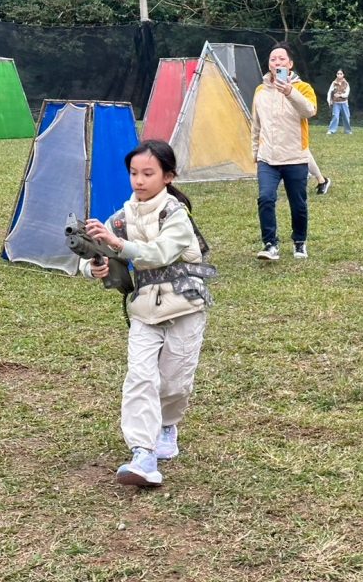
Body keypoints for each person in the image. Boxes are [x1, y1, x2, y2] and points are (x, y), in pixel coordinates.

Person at [80, 139, 214, 487]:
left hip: (185, 308)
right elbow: (94, 253)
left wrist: (118, 244)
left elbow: (159, 253)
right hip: (143, 311)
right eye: (133, 173)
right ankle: (143, 453)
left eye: (148, 173)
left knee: (174, 383)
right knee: (140, 377)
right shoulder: (121, 218)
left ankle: (167, 426)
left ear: (168, 176)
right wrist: (93, 265)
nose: (138, 180)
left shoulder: (177, 216)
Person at [252, 42, 317, 260]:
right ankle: (270, 244)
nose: (277, 62)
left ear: (290, 64)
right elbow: (256, 125)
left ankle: (299, 242)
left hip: (295, 157)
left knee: (298, 204)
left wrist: (290, 92)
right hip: (267, 158)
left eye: (281, 59)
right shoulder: (260, 91)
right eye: (273, 59)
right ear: (269, 65)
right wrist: (255, 152)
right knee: (265, 198)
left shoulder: (303, 88)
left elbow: (309, 111)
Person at [326, 70, 352, 135]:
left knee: (346, 117)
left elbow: (347, 94)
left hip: (344, 103)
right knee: (335, 116)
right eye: (338, 74)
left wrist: (340, 95)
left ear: (343, 75)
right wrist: (329, 101)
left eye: (341, 74)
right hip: (336, 103)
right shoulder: (333, 83)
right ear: (336, 75)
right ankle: (331, 130)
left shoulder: (346, 83)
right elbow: (330, 92)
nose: (339, 75)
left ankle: (348, 130)